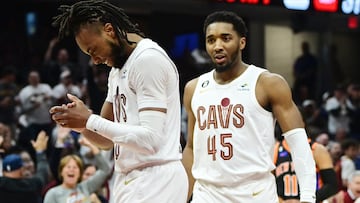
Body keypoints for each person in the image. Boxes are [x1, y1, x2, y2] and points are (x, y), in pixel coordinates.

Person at [48, 0, 188, 202]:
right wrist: (80, 125)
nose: (94, 60)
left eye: (93, 49)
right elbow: (105, 140)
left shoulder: (148, 60)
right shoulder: (116, 70)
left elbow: (151, 140)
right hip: (128, 177)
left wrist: (89, 120)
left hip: (156, 178)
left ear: (109, 30)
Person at [181, 10, 316, 203]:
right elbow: (192, 148)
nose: (217, 46)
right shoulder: (193, 88)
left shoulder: (267, 83)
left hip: (254, 195)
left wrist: (309, 197)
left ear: (242, 42)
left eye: (225, 38)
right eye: (211, 40)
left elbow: (299, 143)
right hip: (207, 195)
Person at [274, 137, 338, 202]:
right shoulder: (275, 149)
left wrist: (305, 200)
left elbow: (332, 186)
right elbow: (267, 184)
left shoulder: (316, 149)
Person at [0, 130, 49, 203]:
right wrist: (40, 152)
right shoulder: (32, 185)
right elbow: (42, 172)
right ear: (22, 169)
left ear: (3, 171)